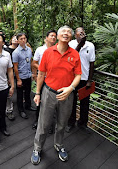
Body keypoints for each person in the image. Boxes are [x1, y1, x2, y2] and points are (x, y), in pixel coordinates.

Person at [31, 26, 81, 165]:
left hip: (67, 95)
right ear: (58, 36)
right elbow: (41, 74)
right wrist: (38, 93)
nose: (66, 34)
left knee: (61, 124)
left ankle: (58, 145)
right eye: (63, 32)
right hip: (49, 93)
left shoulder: (74, 54)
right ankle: (37, 148)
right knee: (44, 124)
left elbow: (78, 75)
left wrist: (70, 88)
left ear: (70, 37)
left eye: (69, 32)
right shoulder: (48, 52)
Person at [66, 27, 95, 133]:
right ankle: (71, 122)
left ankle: (83, 123)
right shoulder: (71, 44)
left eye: (84, 33)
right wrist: (80, 45)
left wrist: (89, 80)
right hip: (72, 79)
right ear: (75, 35)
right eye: (80, 33)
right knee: (71, 102)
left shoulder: (90, 45)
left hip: (84, 79)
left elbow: (92, 64)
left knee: (85, 103)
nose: (82, 35)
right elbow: (72, 58)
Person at [31, 30, 57, 130]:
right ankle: (37, 120)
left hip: (53, 80)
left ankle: (49, 123)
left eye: (55, 36)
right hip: (42, 78)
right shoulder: (40, 50)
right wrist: (42, 70)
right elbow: (34, 63)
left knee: (51, 101)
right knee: (40, 99)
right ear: (46, 38)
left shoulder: (58, 49)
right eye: (51, 36)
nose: (53, 38)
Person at [12, 33, 35, 120]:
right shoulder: (16, 52)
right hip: (21, 76)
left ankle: (28, 106)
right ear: (18, 41)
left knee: (28, 92)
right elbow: (15, 67)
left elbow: (31, 62)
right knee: (20, 94)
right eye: (21, 39)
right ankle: (21, 110)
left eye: (24, 38)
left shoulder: (29, 49)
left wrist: (32, 73)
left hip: (28, 75)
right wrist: (18, 79)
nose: (23, 40)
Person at [4, 35, 19, 121]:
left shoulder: (21, 49)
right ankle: (8, 110)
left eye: (17, 38)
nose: (15, 40)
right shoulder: (6, 50)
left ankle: (9, 108)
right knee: (8, 92)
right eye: (14, 38)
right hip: (8, 72)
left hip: (17, 71)